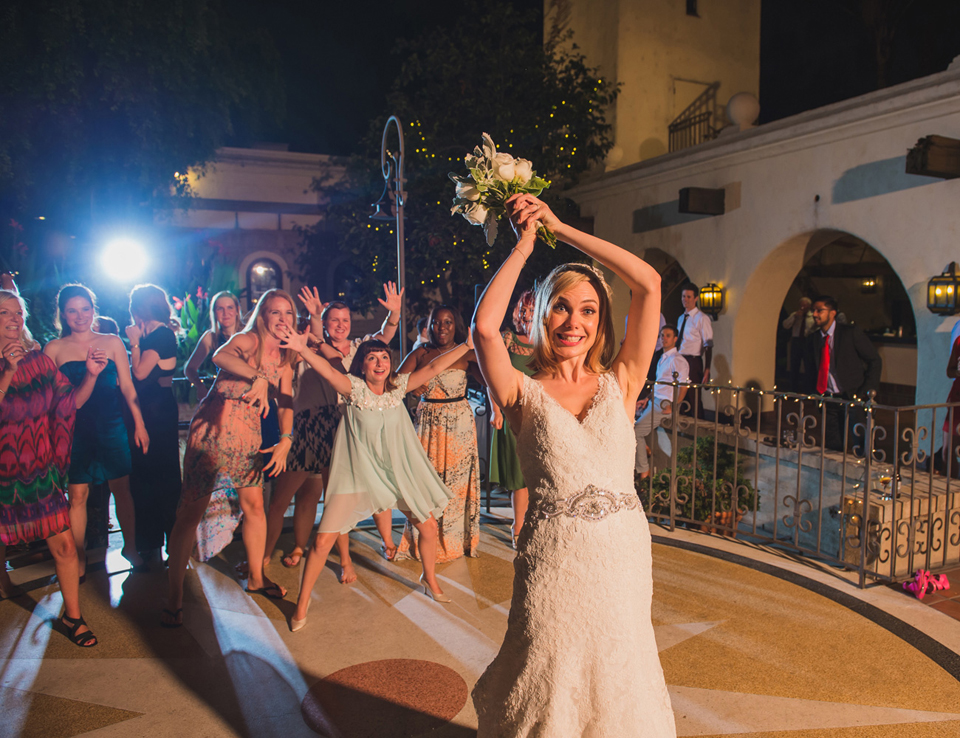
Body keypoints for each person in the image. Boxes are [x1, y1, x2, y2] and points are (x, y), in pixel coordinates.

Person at [471, 194, 676, 736]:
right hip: (554, 561)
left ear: (601, 319)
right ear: (543, 313)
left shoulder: (622, 381)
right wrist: (525, 247)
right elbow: (486, 330)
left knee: (618, 670)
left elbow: (649, 283)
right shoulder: (521, 391)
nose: (573, 322)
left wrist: (562, 229)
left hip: (622, 558)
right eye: (561, 306)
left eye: (588, 309)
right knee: (547, 669)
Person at [281, 331, 473, 632]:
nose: (380, 363)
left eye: (384, 357)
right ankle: (302, 603)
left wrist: (467, 346)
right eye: (372, 358)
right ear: (362, 366)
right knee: (321, 542)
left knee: (429, 526)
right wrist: (302, 349)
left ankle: (429, 579)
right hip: (356, 476)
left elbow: (435, 367)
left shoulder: (398, 388)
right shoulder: (354, 389)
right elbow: (329, 370)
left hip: (395, 475)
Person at [162, 289, 297, 627]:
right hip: (213, 430)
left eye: (288, 314)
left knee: (254, 507)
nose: (282, 320)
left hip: (247, 436)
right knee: (191, 510)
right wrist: (258, 376)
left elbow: (286, 400)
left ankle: (256, 577)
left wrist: (285, 439)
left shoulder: (285, 357)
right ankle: (174, 597)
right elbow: (221, 356)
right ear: (262, 315)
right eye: (275, 313)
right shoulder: (247, 338)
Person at [262, 282, 402, 577]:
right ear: (325, 323)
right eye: (334, 320)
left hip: (341, 425)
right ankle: (264, 556)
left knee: (338, 498)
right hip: (304, 426)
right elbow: (293, 357)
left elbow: (385, 338)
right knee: (289, 498)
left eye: (345, 320)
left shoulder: (360, 349)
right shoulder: (306, 345)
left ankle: (348, 560)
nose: (340, 325)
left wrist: (394, 314)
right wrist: (313, 317)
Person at [0, 289, 105, 645]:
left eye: (18, 313)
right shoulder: (13, 363)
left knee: (64, 547)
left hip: (38, 471)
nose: (14, 319)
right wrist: (8, 370)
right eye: (5, 313)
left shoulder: (39, 360)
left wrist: (90, 376)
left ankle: (73, 618)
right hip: (2, 474)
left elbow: (68, 404)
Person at [43, 284, 150, 574]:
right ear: (63, 315)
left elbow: (128, 387)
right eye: (72, 311)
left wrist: (139, 424)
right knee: (77, 496)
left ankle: (129, 547)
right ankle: (76, 556)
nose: (80, 316)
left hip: (111, 424)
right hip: (74, 430)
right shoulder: (53, 349)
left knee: (122, 490)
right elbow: (51, 401)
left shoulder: (112, 341)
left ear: (93, 309)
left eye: (85, 309)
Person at [393, 305, 482, 563]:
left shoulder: (466, 353)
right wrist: (412, 389)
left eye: (448, 322)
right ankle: (426, 540)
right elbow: (397, 383)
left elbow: (489, 380)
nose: (442, 327)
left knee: (455, 485)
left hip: (459, 427)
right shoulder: (421, 352)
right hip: (428, 426)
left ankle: (456, 541)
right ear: (430, 325)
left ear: (457, 325)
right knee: (426, 482)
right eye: (436, 322)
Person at [126, 285, 183, 562]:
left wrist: (134, 343)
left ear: (138, 308)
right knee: (146, 476)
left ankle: (169, 544)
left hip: (156, 413)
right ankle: (151, 544)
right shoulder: (157, 334)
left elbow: (139, 373)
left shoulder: (160, 336)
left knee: (160, 476)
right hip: (150, 409)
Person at [488, 290, 535, 547]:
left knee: (537, 473)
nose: (526, 314)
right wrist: (496, 410)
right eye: (523, 308)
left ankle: (532, 525)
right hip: (512, 413)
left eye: (531, 309)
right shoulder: (507, 338)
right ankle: (518, 527)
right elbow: (491, 375)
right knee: (520, 476)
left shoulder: (545, 340)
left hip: (537, 413)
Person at [807, 295, 882, 452]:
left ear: (832, 313)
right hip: (828, 397)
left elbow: (874, 360)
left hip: (853, 395)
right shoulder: (814, 338)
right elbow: (812, 368)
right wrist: (815, 392)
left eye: (819, 310)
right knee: (832, 445)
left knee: (860, 443)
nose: (815, 314)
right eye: (813, 310)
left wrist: (865, 392)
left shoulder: (850, 333)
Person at [635, 324, 689, 478]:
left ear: (675, 339)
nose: (663, 339)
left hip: (664, 404)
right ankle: (644, 448)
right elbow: (660, 383)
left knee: (636, 432)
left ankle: (644, 469)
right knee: (630, 421)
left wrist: (674, 406)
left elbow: (683, 386)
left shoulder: (678, 360)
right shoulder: (663, 358)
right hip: (655, 400)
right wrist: (646, 399)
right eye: (662, 335)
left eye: (668, 335)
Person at [184, 291, 242, 400]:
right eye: (220, 308)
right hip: (225, 397)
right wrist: (200, 386)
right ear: (214, 312)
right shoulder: (211, 337)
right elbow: (190, 368)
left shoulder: (249, 333)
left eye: (230, 307)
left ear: (237, 310)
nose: (225, 313)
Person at [677, 283, 713, 418]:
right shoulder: (681, 318)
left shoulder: (701, 318)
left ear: (695, 298)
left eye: (688, 297)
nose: (685, 299)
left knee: (694, 396)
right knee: (680, 394)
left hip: (693, 360)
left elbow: (708, 343)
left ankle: (699, 425)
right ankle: (681, 423)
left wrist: (707, 368)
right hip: (681, 359)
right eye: (683, 296)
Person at [782, 296, 814, 392]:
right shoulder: (795, 315)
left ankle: (808, 389)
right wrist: (795, 317)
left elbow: (812, 329)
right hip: (796, 341)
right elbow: (786, 325)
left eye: (805, 305)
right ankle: (793, 388)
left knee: (808, 365)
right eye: (801, 305)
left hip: (807, 341)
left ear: (809, 306)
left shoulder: (812, 317)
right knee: (794, 364)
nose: (802, 307)